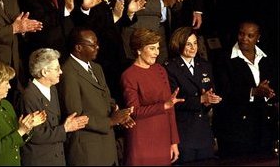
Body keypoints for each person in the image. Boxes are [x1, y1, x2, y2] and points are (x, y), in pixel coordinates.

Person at [75, 0, 146, 104]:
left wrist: (130, 12)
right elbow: (87, 28)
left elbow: (123, 22)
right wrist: (113, 16)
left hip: (117, 50)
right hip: (98, 55)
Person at [59, 27, 135, 165]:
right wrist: (110, 121)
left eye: (97, 44)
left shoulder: (96, 68)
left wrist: (119, 115)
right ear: (79, 48)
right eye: (93, 45)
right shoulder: (68, 72)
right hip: (88, 150)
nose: (97, 47)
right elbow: (75, 114)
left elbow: (107, 98)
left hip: (106, 147)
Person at [213, 20, 278, 158]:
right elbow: (223, 92)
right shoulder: (224, 59)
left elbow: (273, 87)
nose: (244, 39)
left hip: (263, 129)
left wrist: (269, 93)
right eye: (241, 34)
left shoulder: (267, 59)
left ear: (258, 37)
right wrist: (252, 92)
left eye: (250, 35)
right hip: (235, 131)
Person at [121, 28, 184, 165]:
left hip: (162, 137)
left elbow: (170, 108)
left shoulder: (160, 70)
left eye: (158, 48)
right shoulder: (129, 75)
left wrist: (174, 141)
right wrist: (163, 106)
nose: (157, 52)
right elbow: (134, 111)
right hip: (141, 140)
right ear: (138, 50)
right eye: (152, 48)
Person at [0, 59, 47, 166]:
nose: (10, 87)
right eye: (6, 83)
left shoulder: (6, 105)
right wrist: (21, 130)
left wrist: (28, 127)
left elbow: (16, 142)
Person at [21, 48, 89, 165]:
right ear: (44, 72)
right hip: (40, 160)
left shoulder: (52, 89)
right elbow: (34, 134)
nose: (61, 72)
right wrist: (65, 129)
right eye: (57, 69)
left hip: (56, 158)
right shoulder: (29, 96)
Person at [164, 27, 222, 163]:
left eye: (195, 43)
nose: (193, 48)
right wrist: (200, 99)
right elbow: (173, 102)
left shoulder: (205, 65)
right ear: (178, 44)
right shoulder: (170, 68)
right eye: (188, 44)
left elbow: (209, 92)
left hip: (203, 132)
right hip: (184, 133)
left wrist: (210, 101)